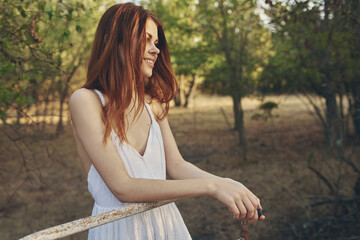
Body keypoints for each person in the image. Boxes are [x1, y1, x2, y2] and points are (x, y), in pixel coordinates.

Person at [69, 3, 265, 240]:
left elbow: (177, 165)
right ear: (115, 41)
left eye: (156, 42)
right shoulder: (86, 101)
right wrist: (212, 188)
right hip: (118, 230)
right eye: (146, 39)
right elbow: (122, 187)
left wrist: (229, 184)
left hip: (167, 226)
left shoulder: (153, 102)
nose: (156, 50)